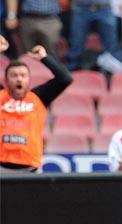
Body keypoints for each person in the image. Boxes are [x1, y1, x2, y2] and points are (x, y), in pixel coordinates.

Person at [0, 38, 73, 172]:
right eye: (14, 75)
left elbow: (65, 79)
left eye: (23, 75)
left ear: (29, 79)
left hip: (30, 168)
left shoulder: (38, 97)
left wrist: (44, 58)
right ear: (6, 79)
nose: (19, 79)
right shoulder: (1, 95)